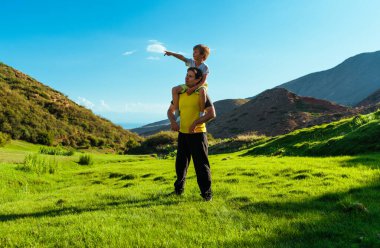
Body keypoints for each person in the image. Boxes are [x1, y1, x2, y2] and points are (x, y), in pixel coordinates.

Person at [167, 67, 216, 201]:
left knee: (201, 166)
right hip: (183, 134)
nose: (186, 78)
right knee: (180, 165)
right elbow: (170, 111)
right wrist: (173, 122)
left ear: (198, 79)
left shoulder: (202, 93)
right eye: (186, 75)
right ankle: (178, 190)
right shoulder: (180, 93)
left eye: (190, 76)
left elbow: (212, 114)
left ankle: (207, 195)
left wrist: (196, 123)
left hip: (198, 134)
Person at [165, 44, 210, 119]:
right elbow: (181, 57)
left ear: (202, 55)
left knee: (202, 91)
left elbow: (202, 82)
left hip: (200, 85)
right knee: (174, 89)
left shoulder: (205, 67)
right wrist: (172, 54)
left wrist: (193, 89)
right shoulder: (191, 62)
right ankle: (177, 111)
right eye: (193, 52)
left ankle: (202, 112)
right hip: (190, 84)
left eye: (195, 52)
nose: (193, 53)